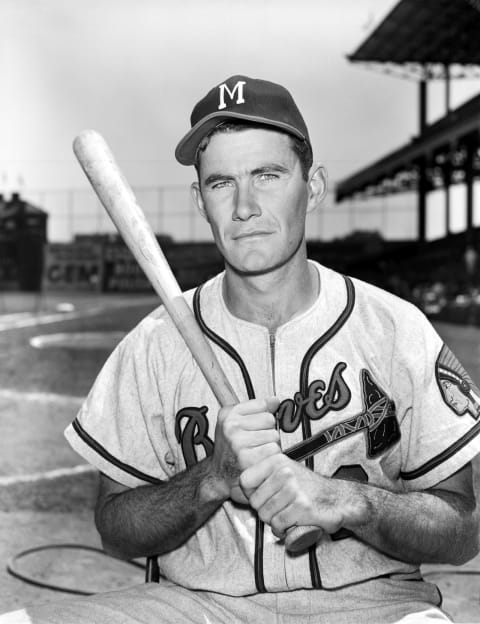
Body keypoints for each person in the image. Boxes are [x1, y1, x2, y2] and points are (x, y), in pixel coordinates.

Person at [2, 75, 480, 624]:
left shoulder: (396, 329)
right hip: (193, 608)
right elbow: (116, 529)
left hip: (372, 607)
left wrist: (349, 502)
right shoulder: (154, 344)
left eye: (267, 175)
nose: (245, 206)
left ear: (314, 186)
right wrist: (211, 478)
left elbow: (463, 528)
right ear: (199, 200)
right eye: (221, 183)